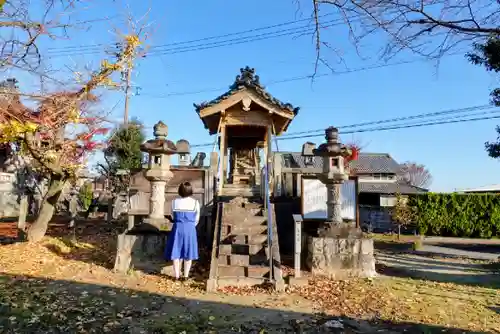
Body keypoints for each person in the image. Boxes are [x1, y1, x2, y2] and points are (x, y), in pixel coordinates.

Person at [164, 181, 200, 280]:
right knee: (188, 253)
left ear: (179, 190)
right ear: (190, 190)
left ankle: (176, 276)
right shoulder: (195, 202)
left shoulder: (174, 202)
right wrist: (191, 225)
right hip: (190, 229)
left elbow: (172, 215)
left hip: (177, 228)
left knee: (176, 252)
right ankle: (186, 276)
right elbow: (197, 218)